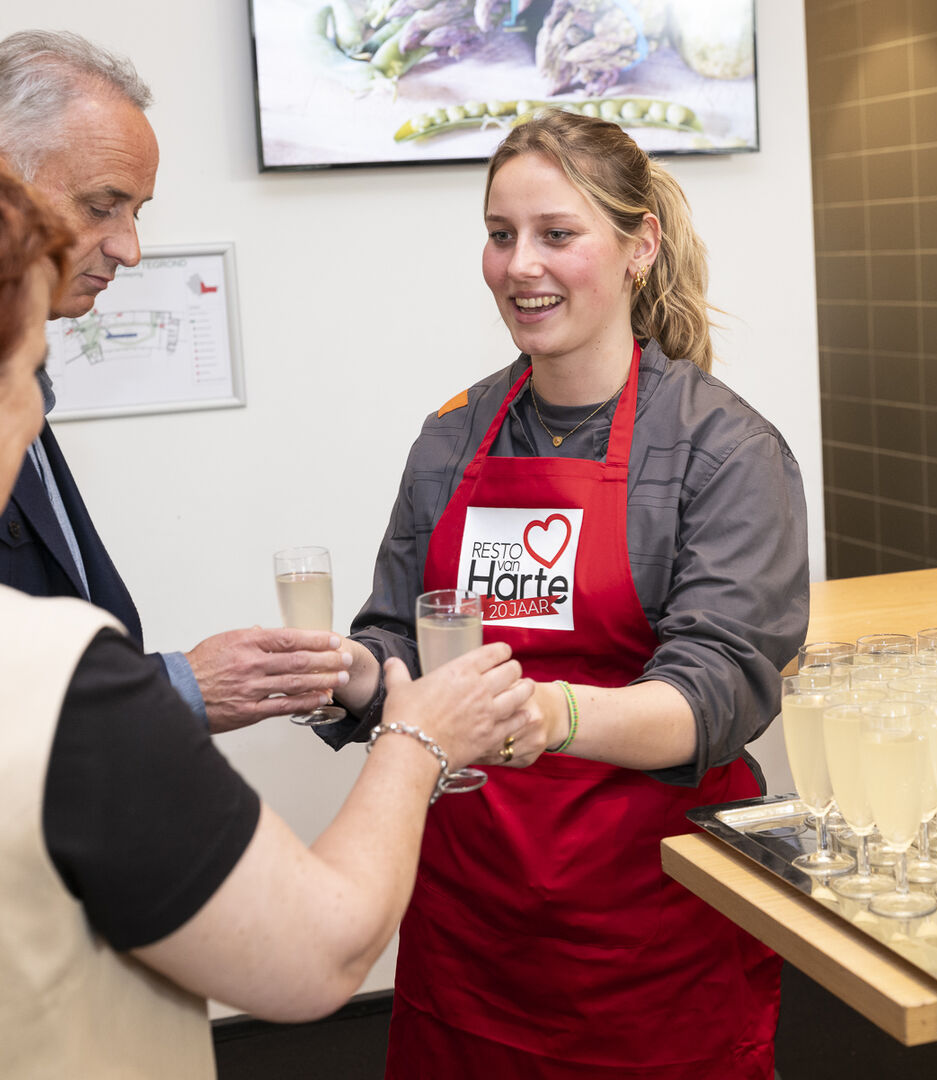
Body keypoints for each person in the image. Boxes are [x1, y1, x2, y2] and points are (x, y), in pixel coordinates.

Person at [0, 117, 537, 1077]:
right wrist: (417, 738)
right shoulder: (44, 681)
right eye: (25, 371)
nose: (32, 408)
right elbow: (318, 954)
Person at [322, 109, 810, 1078]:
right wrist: (347, 676)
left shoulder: (722, 451)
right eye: (500, 235)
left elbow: (715, 695)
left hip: (649, 929)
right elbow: (399, 645)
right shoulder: (452, 437)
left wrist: (545, 716)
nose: (518, 265)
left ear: (639, 246)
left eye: (555, 234)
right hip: (467, 925)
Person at [0, 30, 346, 733]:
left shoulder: (16, 369)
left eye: (137, 211)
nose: (129, 249)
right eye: (102, 206)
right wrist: (182, 686)